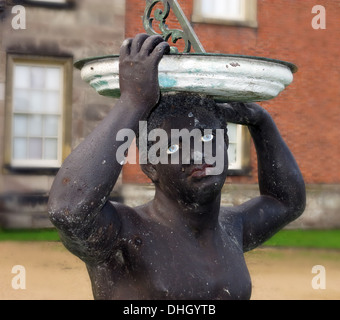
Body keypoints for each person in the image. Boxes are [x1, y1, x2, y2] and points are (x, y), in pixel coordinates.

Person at [48, 34, 306, 300]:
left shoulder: (231, 227)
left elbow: (286, 201)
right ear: (150, 166)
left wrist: (261, 122)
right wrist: (133, 102)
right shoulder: (126, 235)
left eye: (207, 137)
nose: (197, 152)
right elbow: (69, 210)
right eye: (172, 146)